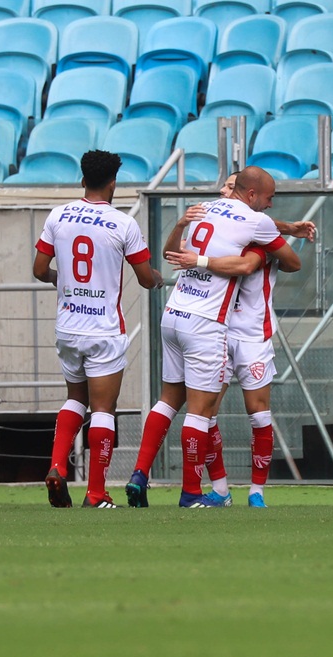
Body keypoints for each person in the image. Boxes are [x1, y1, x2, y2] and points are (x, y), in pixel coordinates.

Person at [124, 166, 302, 508]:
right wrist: (206, 259)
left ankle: (141, 474)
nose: (270, 205)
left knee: (169, 400)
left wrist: (186, 239)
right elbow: (276, 256)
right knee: (201, 413)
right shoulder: (254, 222)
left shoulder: (204, 210)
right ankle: (195, 492)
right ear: (251, 195)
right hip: (207, 323)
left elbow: (170, 253)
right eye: (268, 198)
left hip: (175, 313)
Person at [165, 174, 316, 508]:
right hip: (215, 329)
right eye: (224, 186)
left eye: (229, 186)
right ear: (250, 194)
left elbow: (287, 261)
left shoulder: (256, 228)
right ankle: (220, 489)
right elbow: (251, 242)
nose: (223, 191)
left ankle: (257, 492)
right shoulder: (240, 223)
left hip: (251, 334)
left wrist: (282, 233)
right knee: (207, 413)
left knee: (258, 413)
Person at [32, 149, 163, 508]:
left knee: (75, 399)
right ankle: (96, 492)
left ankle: (58, 466)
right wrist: (159, 279)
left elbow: (40, 269)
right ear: (113, 182)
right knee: (104, 409)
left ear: (82, 179)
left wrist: (67, 281)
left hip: (68, 326)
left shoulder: (58, 216)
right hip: (104, 329)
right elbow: (145, 277)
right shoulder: (123, 224)